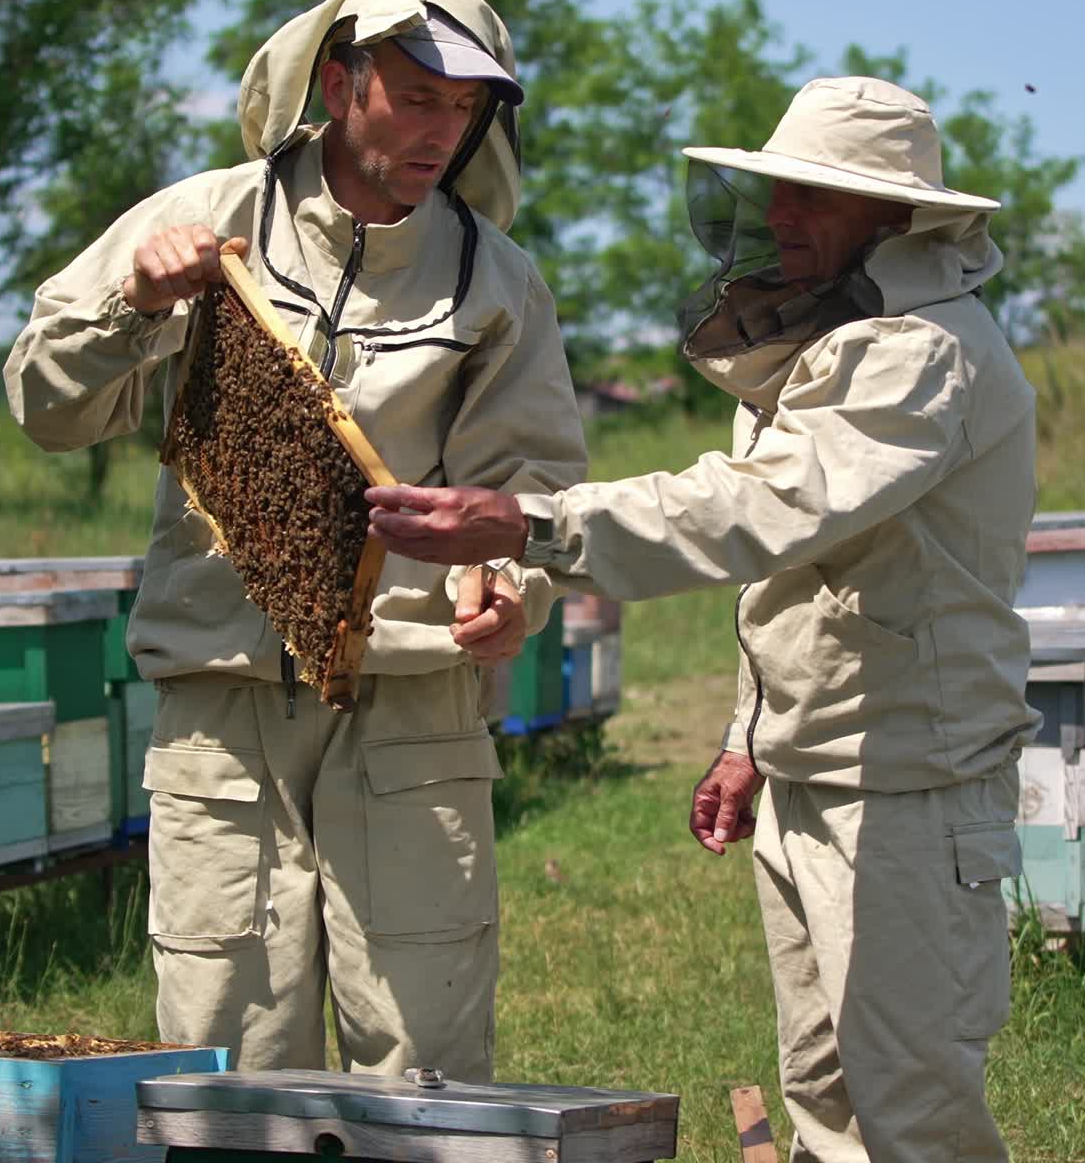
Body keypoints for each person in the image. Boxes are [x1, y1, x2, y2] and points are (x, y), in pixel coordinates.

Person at [366, 76, 1039, 1162]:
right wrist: (745, 737)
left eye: (811, 198)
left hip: (910, 785)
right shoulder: (831, 339)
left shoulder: (923, 355)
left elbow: (763, 510)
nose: (778, 216)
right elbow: (800, 579)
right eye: (774, 190)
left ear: (894, 215)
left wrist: (530, 523)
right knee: (821, 1091)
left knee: (912, 1110)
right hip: (818, 766)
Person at [4, 0, 587, 1079]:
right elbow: (42, 404)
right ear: (338, 79)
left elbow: (534, 486)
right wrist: (136, 304)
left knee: (425, 1057)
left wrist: (509, 591)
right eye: (416, 97)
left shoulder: (498, 282)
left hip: (410, 699)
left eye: (462, 111)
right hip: (222, 697)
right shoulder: (202, 220)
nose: (439, 132)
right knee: (229, 1056)